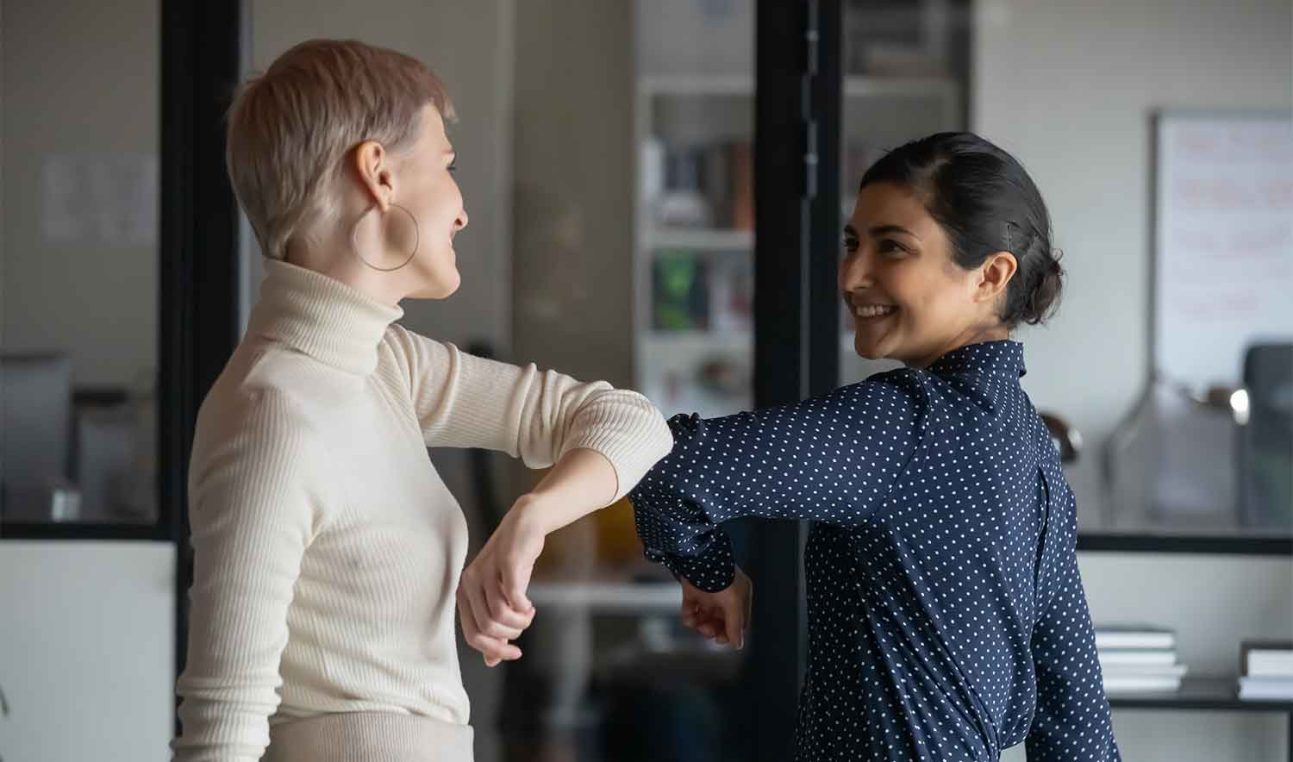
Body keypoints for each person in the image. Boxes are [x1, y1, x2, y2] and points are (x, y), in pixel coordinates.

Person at [171, 38, 672, 762]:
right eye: (447, 166)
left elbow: (631, 421)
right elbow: (222, 728)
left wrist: (532, 517)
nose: (463, 209)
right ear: (378, 174)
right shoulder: (272, 413)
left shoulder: (385, 364)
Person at [627, 133, 1121, 760]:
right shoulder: (1033, 451)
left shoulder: (907, 422)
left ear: (991, 275)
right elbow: (1078, 727)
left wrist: (708, 574)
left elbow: (668, 469)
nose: (853, 275)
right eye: (852, 243)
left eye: (892, 247)